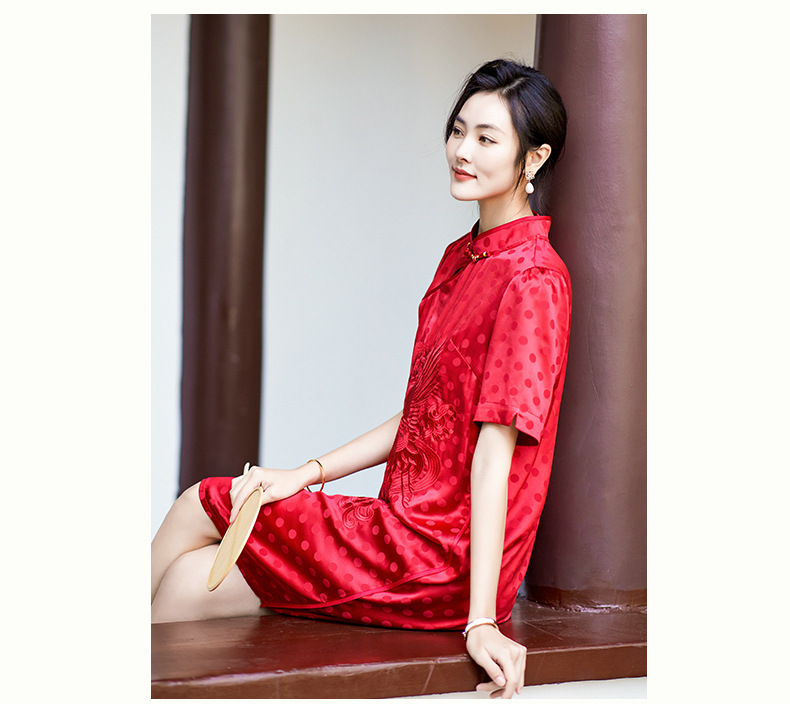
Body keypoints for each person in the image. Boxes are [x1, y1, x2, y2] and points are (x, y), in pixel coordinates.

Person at [152, 58, 570, 700]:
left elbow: (495, 457)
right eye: (458, 130)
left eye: (487, 139)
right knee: (189, 583)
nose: (462, 151)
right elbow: (424, 413)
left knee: (204, 500)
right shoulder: (462, 259)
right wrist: (304, 473)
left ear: (533, 159)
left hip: (441, 561)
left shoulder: (532, 280)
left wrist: (483, 619)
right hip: (402, 531)